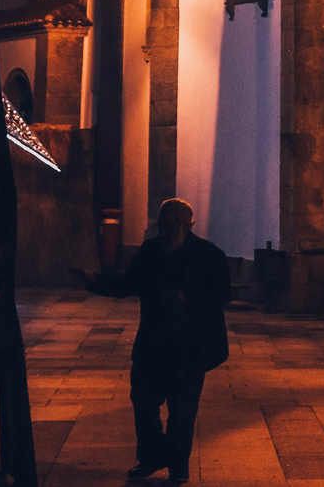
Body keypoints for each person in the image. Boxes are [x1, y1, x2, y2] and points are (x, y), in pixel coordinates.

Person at [90, 198, 231, 484]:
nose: (171, 229)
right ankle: (151, 458)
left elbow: (221, 296)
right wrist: (93, 281)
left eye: (176, 223)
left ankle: (178, 465)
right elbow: (128, 284)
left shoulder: (208, 255)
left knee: (182, 411)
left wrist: (189, 298)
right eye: (166, 223)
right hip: (153, 345)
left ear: (188, 225)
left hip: (189, 348)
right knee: (144, 404)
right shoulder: (151, 252)